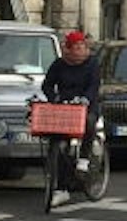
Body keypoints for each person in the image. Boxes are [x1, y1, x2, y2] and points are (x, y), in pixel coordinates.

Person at [40, 30, 102, 208]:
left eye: (83, 47)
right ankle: (61, 188)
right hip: (65, 107)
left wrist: (85, 99)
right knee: (59, 144)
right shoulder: (59, 65)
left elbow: (94, 85)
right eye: (77, 48)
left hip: (86, 105)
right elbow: (47, 85)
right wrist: (54, 98)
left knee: (88, 122)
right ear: (68, 49)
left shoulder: (92, 64)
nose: (81, 51)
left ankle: (84, 159)